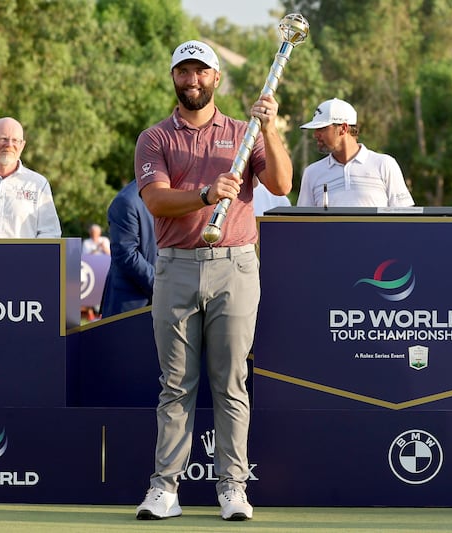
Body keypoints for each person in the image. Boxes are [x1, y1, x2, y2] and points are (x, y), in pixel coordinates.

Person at [133, 40, 292, 521]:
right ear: (174, 77)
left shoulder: (246, 133)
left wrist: (272, 128)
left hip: (236, 265)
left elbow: (283, 185)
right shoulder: (155, 137)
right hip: (177, 264)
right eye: (184, 71)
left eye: (201, 72)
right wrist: (204, 194)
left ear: (216, 78)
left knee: (231, 382)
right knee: (176, 384)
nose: (192, 80)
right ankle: (164, 488)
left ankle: (233, 487)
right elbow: (156, 201)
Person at [296, 98, 414, 208]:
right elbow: (304, 224)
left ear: (343, 128)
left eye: (322, 128)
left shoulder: (384, 164)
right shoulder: (311, 173)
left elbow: (405, 219)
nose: (315, 135)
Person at [99, 180, 157, 317]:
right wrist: (164, 287)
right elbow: (126, 254)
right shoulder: (126, 201)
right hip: (131, 307)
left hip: (167, 305)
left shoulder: (179, 195)